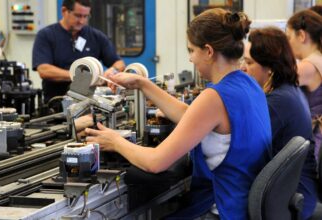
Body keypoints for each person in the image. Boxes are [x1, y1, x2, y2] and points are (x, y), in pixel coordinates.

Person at [85, 8, 272, 219]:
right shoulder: (247, 83)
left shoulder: (215, 96)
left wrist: (115, 141)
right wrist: (142, 84)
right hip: (241, 204)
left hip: (222, 210)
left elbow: (155, 162)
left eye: (192, 50)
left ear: (209, 51)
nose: (191, 58)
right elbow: (191, 116)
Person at [241, 26, 318, 220]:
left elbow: (243, 148)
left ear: (269, 68)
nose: (243, 67)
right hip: (297, 190)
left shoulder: (277, 102)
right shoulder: (288, 90)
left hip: (288, 197)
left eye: (249, 62)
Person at [32, 0, 125, 103]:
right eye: (78, 16)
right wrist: (80, 76)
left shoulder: (96, 36)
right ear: (64, 11)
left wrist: (112, 71)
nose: (81, 21)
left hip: (89, 102)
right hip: (56, 102)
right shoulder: (46, 35)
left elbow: (119, 63)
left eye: (85, 16)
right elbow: (44, 70)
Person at [286, 9, 322, 161]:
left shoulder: (307, 66)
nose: (288, 44)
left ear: (301, 35)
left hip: (315, 139)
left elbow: (275, 86)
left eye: (288, 37)